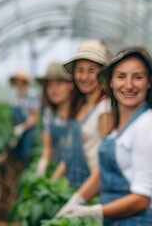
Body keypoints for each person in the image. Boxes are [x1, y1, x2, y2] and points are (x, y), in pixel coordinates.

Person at [56, 46, 152, 225]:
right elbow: (104, 173)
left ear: (149, 82)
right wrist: (77, 199)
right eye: (121, 76)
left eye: (138, 77)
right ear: (110, 82)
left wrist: (93, 212)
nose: (129, 85)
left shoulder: (147, 125)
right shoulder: (119, 124)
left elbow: (142, 199)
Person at [51, 39, 114, 190]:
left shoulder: (105, 109)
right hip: (73, 184)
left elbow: (107, 164)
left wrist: (79, 199)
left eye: (92, 70)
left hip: (93, 189)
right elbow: (69, 156)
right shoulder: (82, 107)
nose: (84, 77)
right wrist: (52, 183)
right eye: (80, 70)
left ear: (103, 74)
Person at [35, 61, 74, 176]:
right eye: (50, 86)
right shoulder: (49, 114)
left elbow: (72, 154)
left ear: (70, 85)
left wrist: (54, 179)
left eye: (59, 84)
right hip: (57, 168)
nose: (53, 90)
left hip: (78, 173)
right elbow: (47, 148)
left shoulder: (79, 114)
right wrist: (41, 168)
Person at [9, 70, 40, 162]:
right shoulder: (14, 94)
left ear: (24, 81)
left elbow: (34, 116)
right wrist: (15, 128)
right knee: (16, 153)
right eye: (16, 80)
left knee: (26, 153)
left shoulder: (32, 94)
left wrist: (23, 127)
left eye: (20, 80)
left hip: (28, 129)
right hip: (17, 128)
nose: (18, 82)